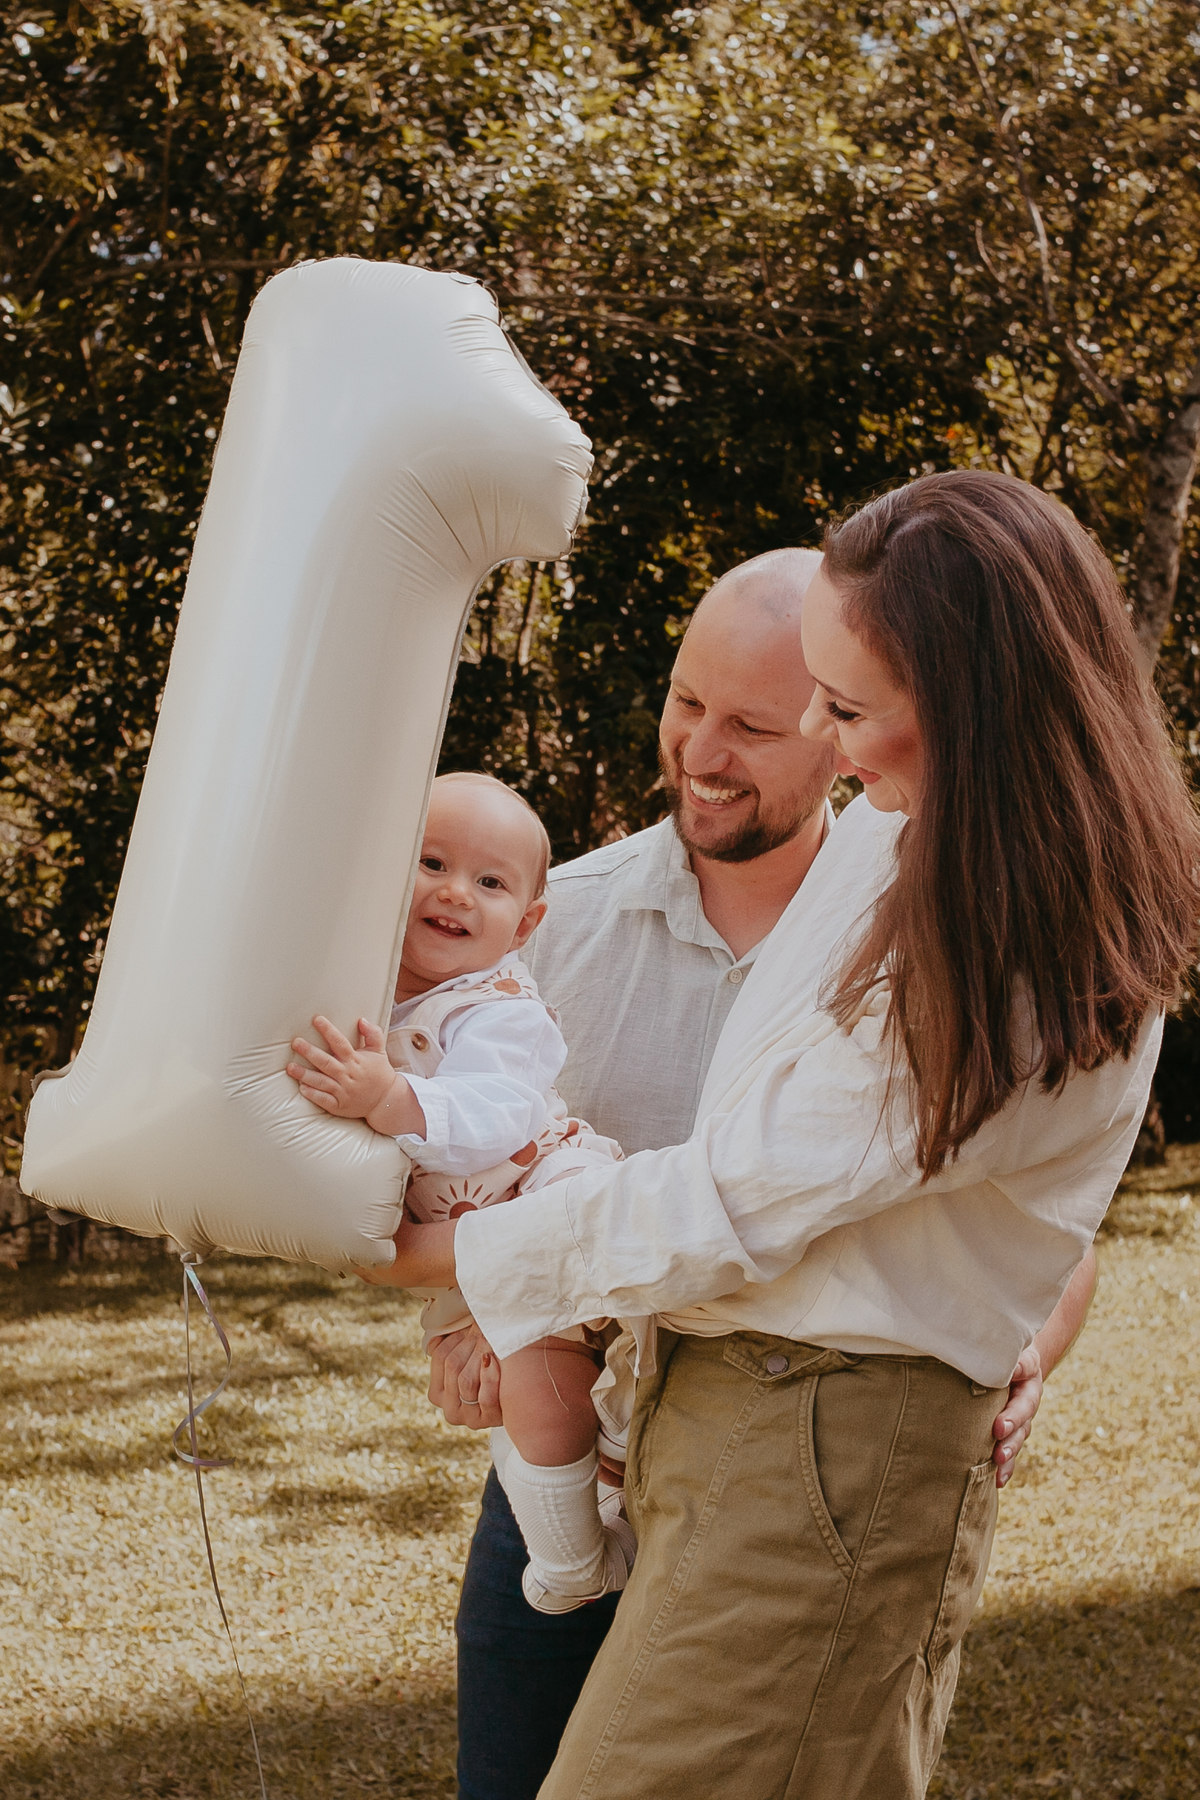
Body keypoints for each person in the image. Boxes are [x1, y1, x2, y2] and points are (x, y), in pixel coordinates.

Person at [382, 474, 1200, 1799]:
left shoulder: (999, 933)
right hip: (709, 1416)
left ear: (971, 704)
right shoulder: (905, 845)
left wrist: (435, 1257)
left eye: (843, 705)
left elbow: (734, 1200)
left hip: (822, 1441)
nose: (824, 731)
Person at [285, 772, 636, 1613]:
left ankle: (625, 1433)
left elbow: (498, 1111)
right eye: (432, 862)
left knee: (618, 1309)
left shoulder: (500, 1007)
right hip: (466, 1265)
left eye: (489, 882)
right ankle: (576, 1556)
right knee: (529, 1404)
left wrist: (390, 1099)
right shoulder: (356, 987)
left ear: (528, 922)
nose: (454, 892)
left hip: (551, 1189)